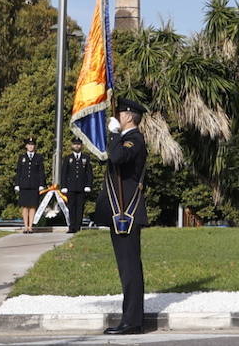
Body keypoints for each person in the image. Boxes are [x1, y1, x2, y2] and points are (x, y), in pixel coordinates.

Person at [95, 99, 148, 336]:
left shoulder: (134, 140)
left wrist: (115, 132)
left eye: (119, 113)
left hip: (127, 212)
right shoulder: (127, 138)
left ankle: (132, 321)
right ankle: (131, 319)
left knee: (130, 269)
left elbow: (116, 157)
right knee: (126, 268)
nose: (115, 116)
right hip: (119, 213)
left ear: (128, 116)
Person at [59, 139, 94, 234]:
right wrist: (63, 186)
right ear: (72, 145)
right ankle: (71, 227)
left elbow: (89, 173)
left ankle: (78, 227)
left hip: (82, 187)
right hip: (70, 187)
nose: (77, 146)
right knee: (71, 207)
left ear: (81, 145)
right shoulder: (68, 158)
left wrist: (88, 185)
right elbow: (64, 173)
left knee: (80, 207)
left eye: (78, 144)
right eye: (75, 144)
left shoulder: (86, 158)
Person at [13, 137, 44, 234]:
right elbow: (19, 172)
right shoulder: (22, 157)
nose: (31, 146)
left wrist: (41, 184)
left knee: (33, 206)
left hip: (34, 185)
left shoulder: (38, 157)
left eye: (32, 145)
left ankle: (31, 227)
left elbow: (41, 172)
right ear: (26, 146)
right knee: (25, 206)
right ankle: (25, 226)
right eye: (29, 145)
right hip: (24, 185)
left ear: (34, 146)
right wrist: (17, 184)